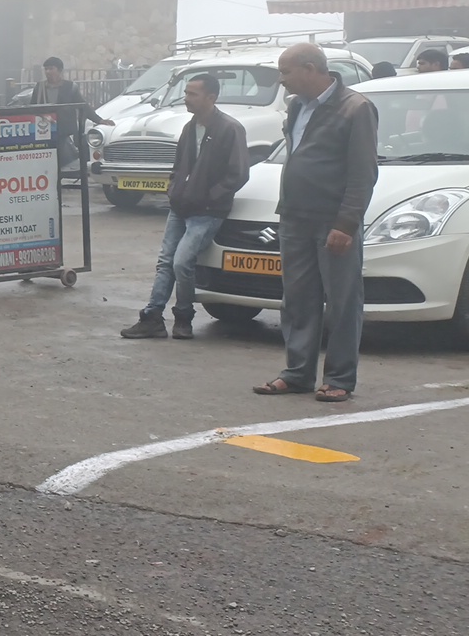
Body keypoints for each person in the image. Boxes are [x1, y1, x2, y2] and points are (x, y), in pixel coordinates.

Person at [253, 44, 377, 403]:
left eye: (286, 72)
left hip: (332, 221)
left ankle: (339, 378)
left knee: (341, 302)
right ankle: (297, 374)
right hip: (294, 217)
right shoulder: (296, 107)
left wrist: (346, 223)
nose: (282, 80)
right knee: (297, 300)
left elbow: (362, 174)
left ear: (310, 68)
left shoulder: (356, 108)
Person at [120, 73, 250, 339]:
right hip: (180, 206)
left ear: (211, 98)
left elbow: (238, 174)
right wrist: (175, 188)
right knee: (166, 262)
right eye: (186, 93)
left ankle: (183, 317)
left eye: (193, 94)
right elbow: (179, 165)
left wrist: (210, 196)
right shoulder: (190, 127)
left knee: (182, 262)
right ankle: (153, 317)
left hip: (208, 212)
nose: (186, 99)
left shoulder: (230, 129)